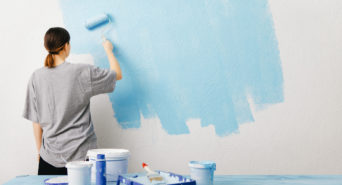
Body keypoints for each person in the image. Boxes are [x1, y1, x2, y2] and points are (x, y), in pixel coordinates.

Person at [22, 27, 122, 175]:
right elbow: (117, 75)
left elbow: (36, 121)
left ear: (47, 47)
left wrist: (39, 151)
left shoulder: (36, 77)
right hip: (83, 158)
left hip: (48, 158)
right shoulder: (82, 72)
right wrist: (108, 49)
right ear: (66, 46)